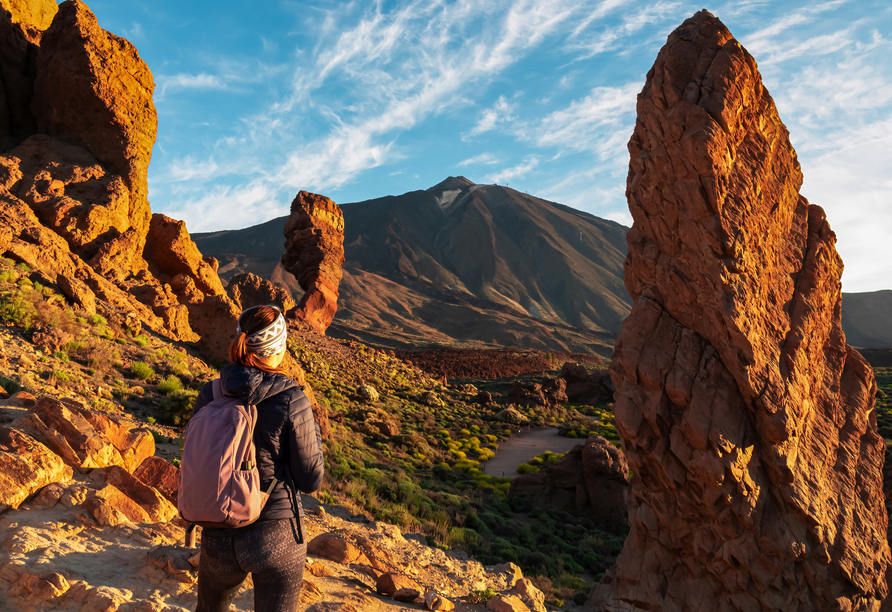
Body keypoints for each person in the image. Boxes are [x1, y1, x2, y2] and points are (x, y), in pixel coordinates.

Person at [193, 304, 324, 612]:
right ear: (279, 346)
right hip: (274, 531)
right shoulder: (291, 398)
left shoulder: (212, 392)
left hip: (217, 526)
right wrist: (312, 434)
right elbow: (310, 479)